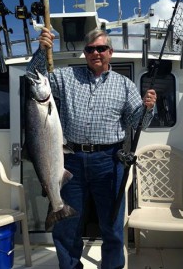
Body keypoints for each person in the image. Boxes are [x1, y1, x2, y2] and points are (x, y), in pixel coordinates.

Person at [27, 27, 157, 269]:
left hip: (109, 161)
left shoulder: (125, 85)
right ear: (84, 53)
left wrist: (149, 108)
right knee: (66, 228)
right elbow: (34, 76)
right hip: (69, 160)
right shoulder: (65, 77)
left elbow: (137, 122)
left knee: (112, 225)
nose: (96, 53)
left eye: (101, 48)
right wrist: (43, 50)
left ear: (110, 52)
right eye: (90, 49)